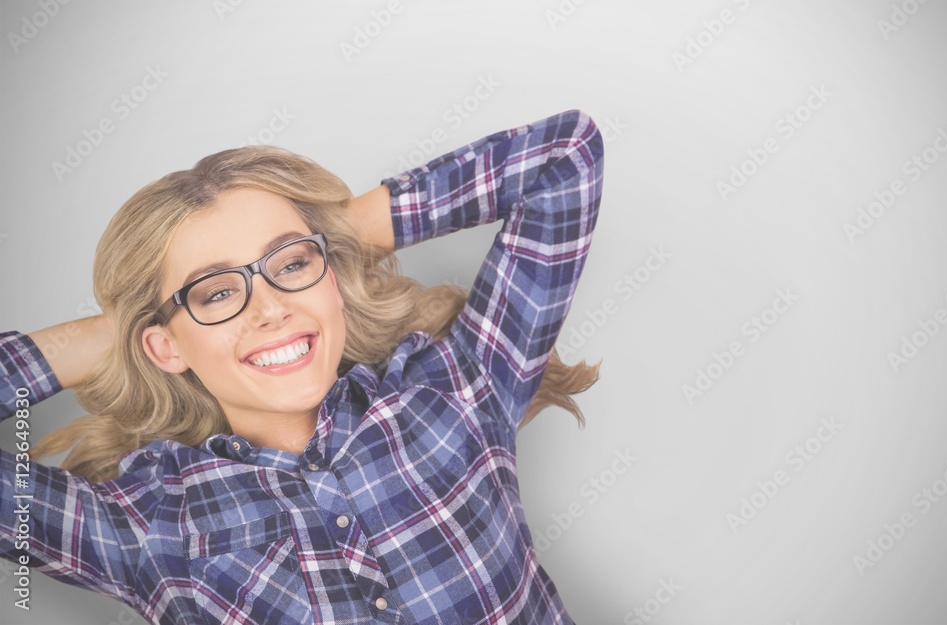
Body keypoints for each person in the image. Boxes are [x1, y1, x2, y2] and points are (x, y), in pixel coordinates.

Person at [0, 108, 605, 624]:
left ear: (333, 279)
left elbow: (563, 157)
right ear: (165, 348)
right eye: (215, 293)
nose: (269, 309)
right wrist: (107, 338)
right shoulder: (143, 527)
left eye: (290, 265)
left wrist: (342, 232)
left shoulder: (456, 390)